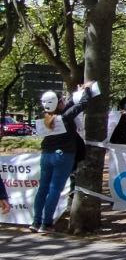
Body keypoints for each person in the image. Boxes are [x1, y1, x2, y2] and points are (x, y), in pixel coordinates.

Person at [31, 83, 92, 233]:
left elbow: (68, 106)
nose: (65, 102)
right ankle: (47, 224)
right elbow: (83, 103)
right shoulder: (65, 117)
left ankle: (36, 222)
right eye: (62, 101)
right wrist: (88, 90)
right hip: (63, 156)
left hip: (46, 155)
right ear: (58, 104)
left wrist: (76, 94)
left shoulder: (43, 118)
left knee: (43, 189)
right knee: (54, 190)